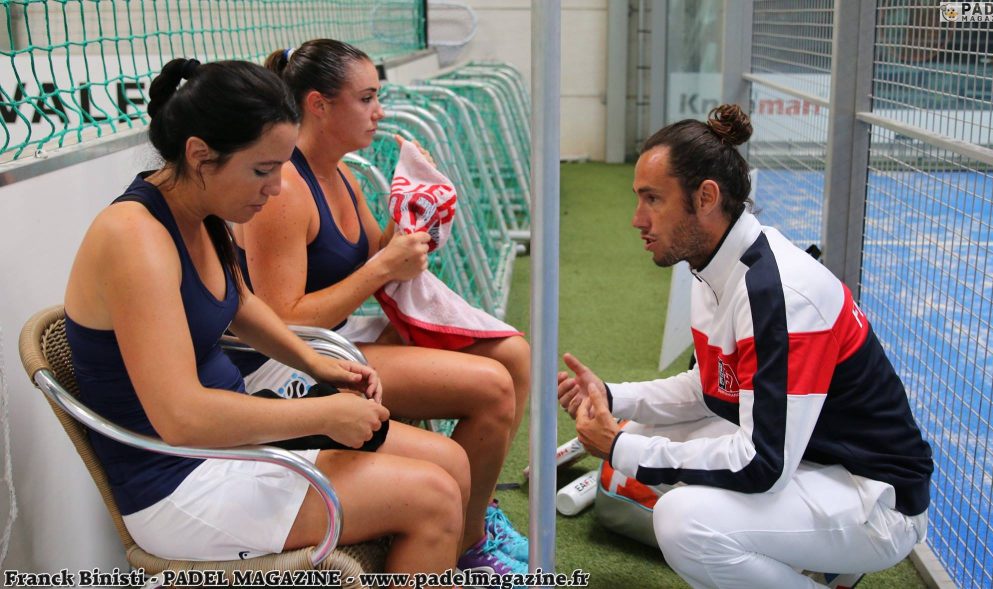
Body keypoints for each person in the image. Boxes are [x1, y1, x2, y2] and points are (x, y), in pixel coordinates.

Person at [64, 58, 469, 578]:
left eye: (282, 166)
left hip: (235, 442)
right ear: (200, 155)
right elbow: (180, 418)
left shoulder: (200, 209)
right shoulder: (134, 238)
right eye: (263, 169)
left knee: (452, 464)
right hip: (181, 482)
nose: (277, 188)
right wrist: (321, 416)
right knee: (431, 497)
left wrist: (319, 365)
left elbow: (241, 303)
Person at [557, 104, 934, 589]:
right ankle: (812, 564)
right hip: (815, 461)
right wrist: (613, 397)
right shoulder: (717, 263)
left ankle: (828, 560)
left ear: (706, 197)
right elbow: (709, 389)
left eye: (652, 199)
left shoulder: (777, 294)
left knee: (682, 520)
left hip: (873, 496)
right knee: (653, 430)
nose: (637, 219)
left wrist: (620, 447)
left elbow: (761, 464)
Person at [230, 39, 530, 573]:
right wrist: (384, 266)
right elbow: (282, 322)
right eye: (367, 98)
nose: (380, 112)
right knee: (494, 387)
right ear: (320, 105)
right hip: (299, 362)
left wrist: (414, 210)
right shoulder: (286, 189)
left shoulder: (341, 173)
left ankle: (475, 520)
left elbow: (374, 258)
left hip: (346, 337)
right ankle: (467, 543)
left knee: (513, 356)